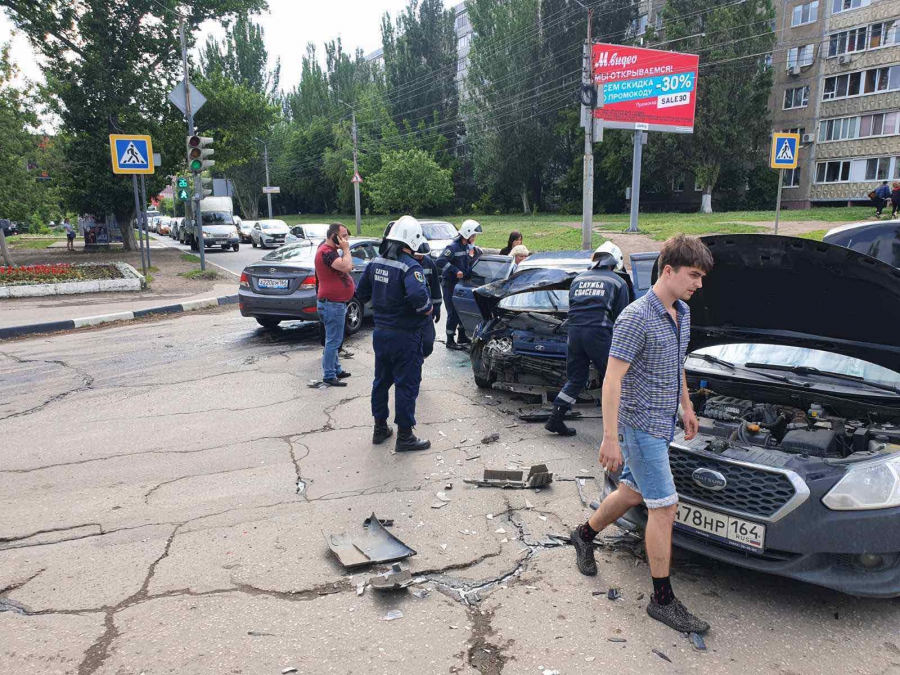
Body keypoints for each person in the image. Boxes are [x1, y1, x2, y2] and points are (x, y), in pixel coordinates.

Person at [569, 234, 714, 635]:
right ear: (668, 270)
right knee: (664, 506)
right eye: (693, 275)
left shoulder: (681, 313)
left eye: (701, 277)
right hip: (638, 426)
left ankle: (583, 535)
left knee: (633, 491)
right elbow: (612, 380)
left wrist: (686, 406)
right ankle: (661, 600)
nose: (698, 284)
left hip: (664, 420)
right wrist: (610, 437)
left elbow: (676, 364)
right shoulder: (635, 317)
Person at [356, 215, 433, 452]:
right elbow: (418, 297)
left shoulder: (376, 262)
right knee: (406, 385)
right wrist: (427, 309)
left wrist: (381, 308)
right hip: (405, 336)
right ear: (412, 241)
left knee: (381, 381)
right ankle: (405, 436)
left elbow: (361, 292)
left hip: (381, 333)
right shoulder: (411, 266)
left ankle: (380, 428)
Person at [545, 242, 630, 436]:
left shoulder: (578, 279)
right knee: (613, 378)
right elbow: (622, 317)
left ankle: (555, 418)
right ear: (615, 261)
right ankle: (621, 427)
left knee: (576, 378)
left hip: (574, 333)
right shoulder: (618, 282)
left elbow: (573, 307)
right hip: (598, 334)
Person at [383, 221, 442, 358]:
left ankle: (416, 359)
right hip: (409, 313)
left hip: (425, 311)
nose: (420, 258)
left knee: (427, 343)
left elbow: (435, 286)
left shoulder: (428, 263)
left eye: (422, 255)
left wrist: (436, 306)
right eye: (417, 255)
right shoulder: (407, 264)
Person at [314, 223, 355, 387]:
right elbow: (346, 266)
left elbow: (347, 267)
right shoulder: (326, 252)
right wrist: (346, 250)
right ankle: (329, 375)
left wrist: (345, 255)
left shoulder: (331, 253)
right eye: (343, 236)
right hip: (331, 304)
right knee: (333, 341)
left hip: (335, 303)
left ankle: (336, 369)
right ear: (333, 237)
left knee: (336, 338)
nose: (346, 239)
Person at [436, 219, 482, 350]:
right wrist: (455, 271)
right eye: (473, 235)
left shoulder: (466, 247)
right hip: (450, 284)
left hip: (461, 284)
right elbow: (440, 261)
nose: (474, 238)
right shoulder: (453, 247)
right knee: (453, 312)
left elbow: (466, 263)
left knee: (461, 310)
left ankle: (462, 336)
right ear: (467, 234)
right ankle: (450, 340)